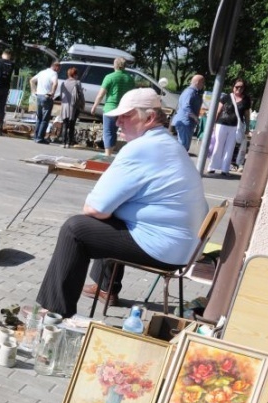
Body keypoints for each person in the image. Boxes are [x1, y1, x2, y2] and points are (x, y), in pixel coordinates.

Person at [36, 88, 208, 317]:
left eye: (126, 116)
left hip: (166, 247)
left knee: (75, 229)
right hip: (185, 246)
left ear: (150, 118)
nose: (118, 122)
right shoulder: (169, 143)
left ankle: (53, 313)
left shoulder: (142, 148)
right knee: (109, 219)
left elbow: (94, 208)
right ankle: (105, 286)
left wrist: (109, 208)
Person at [90, 57, 135, 156]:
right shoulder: (130, 79)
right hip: (124, 109)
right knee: (117, 131)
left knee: (108, 131)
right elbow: (132, 95)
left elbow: (101, 94)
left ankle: (108, 154)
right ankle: (115, 152)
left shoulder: (109, 77)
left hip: (110, 109)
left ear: (115, 65)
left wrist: (94, 106)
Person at [207, 78, 251, 176]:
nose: (239, 89)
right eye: (237, 87)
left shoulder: (246, 100)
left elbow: (247, 115)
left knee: (230, 148)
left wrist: (247, 128)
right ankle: (212, 167)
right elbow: (218, 111)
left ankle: (225, 169)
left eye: (242, 87)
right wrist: (213, 124)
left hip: (235, 126)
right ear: (233, 87)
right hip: (222, 124)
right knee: (218, 145)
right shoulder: (226, 97)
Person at [171, 74, 205, 151]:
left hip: (186, 122)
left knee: (183, 146)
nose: (203, 85)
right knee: (183, 147)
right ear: (198, 82)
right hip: (185, 122)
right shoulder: (190, 92)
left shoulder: (193, 92)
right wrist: (195, 118)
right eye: (203, 82)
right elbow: (186, 107)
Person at [30, 61, 59, 144]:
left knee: (39, 118)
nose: (59, 70)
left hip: (39, 96)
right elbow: (55, 83)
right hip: (46, 96)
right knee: (45, 119)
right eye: (58, 68)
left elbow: (32, 80)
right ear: (56, 67)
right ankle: (40, 137)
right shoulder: (54, 73)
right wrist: (52, 93)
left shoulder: (42, 72)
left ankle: (36, 136)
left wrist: (34, 91)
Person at [59, 67, 84, 149]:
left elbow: (61, 95)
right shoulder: (77, 83)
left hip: (65, 106)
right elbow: (81, 95)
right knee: (72, 125)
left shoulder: (63, 83)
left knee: (65, 124)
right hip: (74, 107)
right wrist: (82, 104)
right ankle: (69, 143)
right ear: (75, 75)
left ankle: (63, 142)